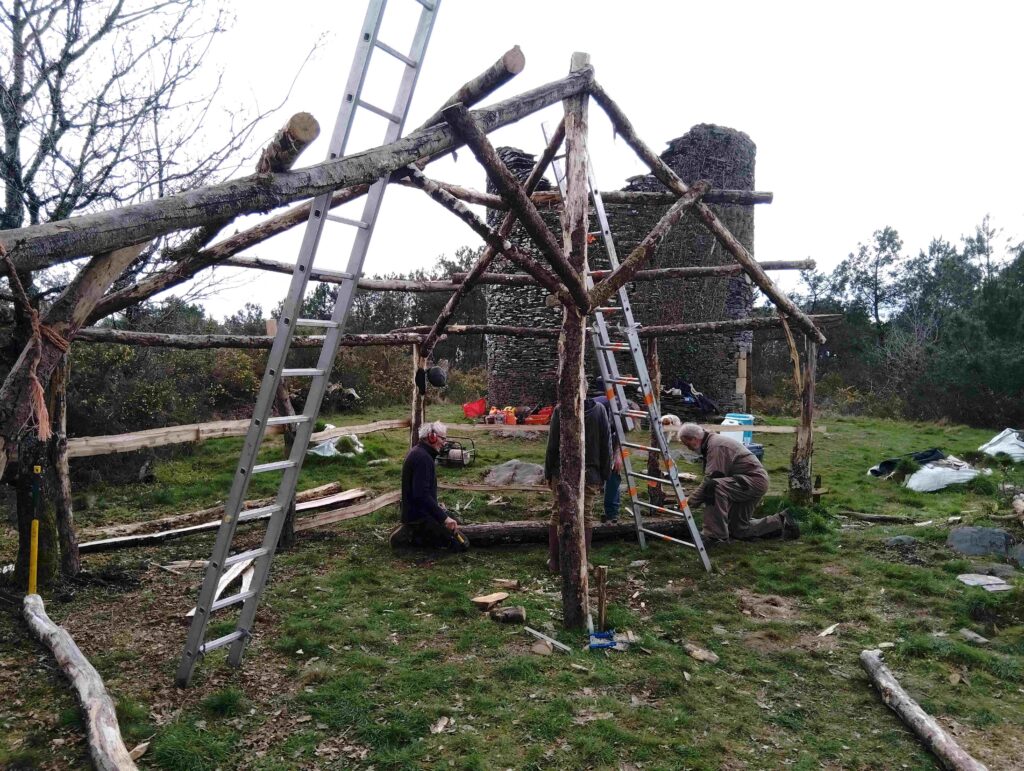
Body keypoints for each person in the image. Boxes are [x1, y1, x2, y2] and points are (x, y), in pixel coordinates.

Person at [677, 422, 799, 545]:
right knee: (738, 529)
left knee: (713, 487)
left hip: (752, 482)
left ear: (694, 439)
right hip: (746, 482)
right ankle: (781, 522)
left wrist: (689, 502)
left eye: (687, 444)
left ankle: (714, 536)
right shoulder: (711, 443)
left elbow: (713, 477)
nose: (688, 448)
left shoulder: (716, 446)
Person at [544, 396, 612, 571]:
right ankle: (581, 561)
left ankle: (555, 561)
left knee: (558, 513)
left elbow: (552, 445)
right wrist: (605, 474)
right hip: (589, 473)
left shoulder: (561, 409)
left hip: (565, 471)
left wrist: (548, 473)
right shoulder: (598, 410)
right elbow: (606, 444)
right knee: (585, 514)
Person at [390, 421, 470, 551]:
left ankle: (416, 532)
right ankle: (411, 535)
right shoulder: (423, 458)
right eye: (442, 438)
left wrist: (440, 511)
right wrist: (444, 519)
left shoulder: (421, 453)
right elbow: (421, 495)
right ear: (431, 437)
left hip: (420, 512)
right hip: (419, 517)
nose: (444, 443)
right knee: (461, 544)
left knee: (455, 523)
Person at [593, 392, 623, 523]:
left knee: (614, 472)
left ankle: (611, 513)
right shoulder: (597, 409)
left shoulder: (621, 414)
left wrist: (618, 455)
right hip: (592, 437)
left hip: (610, 439)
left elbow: (621, 436)